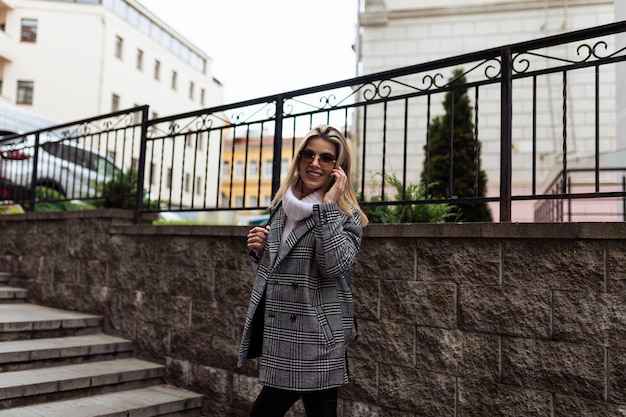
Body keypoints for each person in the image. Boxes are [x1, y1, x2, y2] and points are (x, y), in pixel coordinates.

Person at [238, 125, 369, 417]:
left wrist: (329, 205)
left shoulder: (348, 219)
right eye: (308, 154)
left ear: (339, 169)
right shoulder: (283, 209)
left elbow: (333, 265)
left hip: (314, 339)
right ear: (298, 159)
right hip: (282, 333)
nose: (314, 163)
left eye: (326, 158)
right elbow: (287, 267)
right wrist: (261, 251)